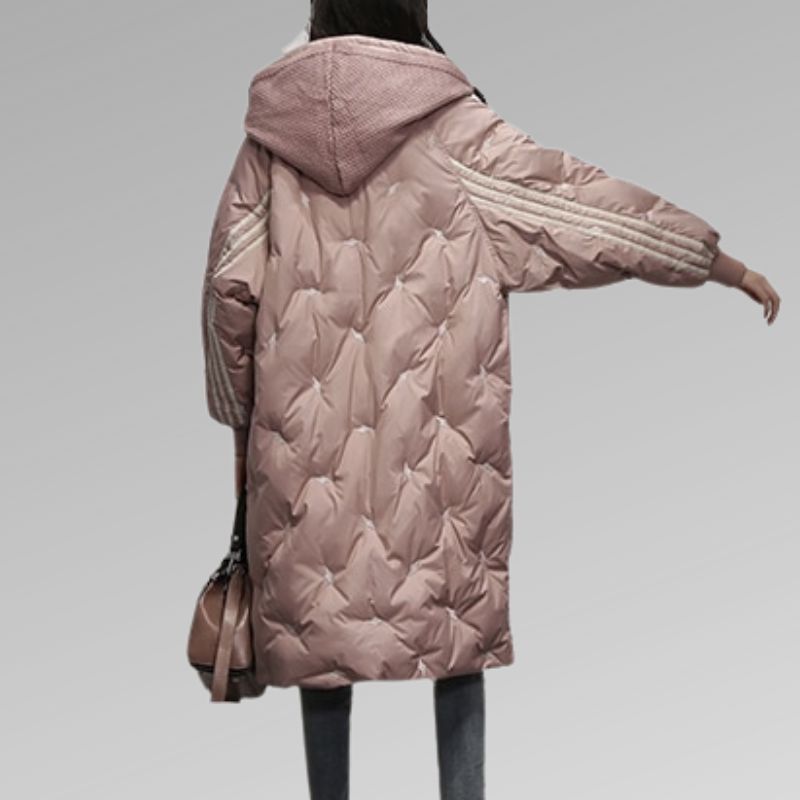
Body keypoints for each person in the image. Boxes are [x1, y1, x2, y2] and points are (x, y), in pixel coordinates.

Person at [199, 2, 781, 798]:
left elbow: (226, 292)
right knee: (454, 641)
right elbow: (585, 209)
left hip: (303, 463)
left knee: (320, 647)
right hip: (441, 470)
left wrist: (239, 419)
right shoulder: (457, 132)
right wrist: (713, 261)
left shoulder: (268, 145)